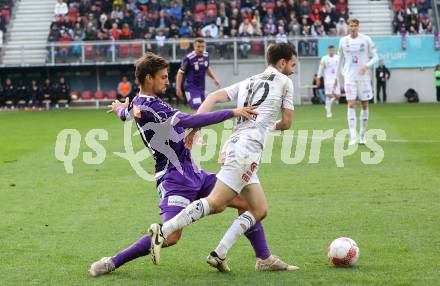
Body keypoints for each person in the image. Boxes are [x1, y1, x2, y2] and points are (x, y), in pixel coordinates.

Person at [89, 52, 284, 277]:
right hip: (173, 179)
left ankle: (263, 258)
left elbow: (127, 113)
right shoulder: (153, 108)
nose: (168, 81)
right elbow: (190, 120)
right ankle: (112, 262)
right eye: (163, 77)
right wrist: (233, 111)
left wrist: (119, 110)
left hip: (194, 173)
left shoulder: (139, 103)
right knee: (170, 236)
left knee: (247, 204)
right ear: (149, 78)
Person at [149, 43, 299, 272]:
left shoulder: (249, 81)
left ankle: (244, 257)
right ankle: (165, 231)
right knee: (216, 203)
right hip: (246, 150)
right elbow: (287, 123)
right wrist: (267, 127)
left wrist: (195, 126)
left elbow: (214, 96)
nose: (293, 70)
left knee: (258, 209)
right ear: (282, 63)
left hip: (234, 146)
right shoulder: (285, 82)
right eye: (292, 65)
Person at [336, 17, 378, 145]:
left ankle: (362, 135)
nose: (353, 28)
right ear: (348, 27)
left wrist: (366, 65)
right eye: (351, 25)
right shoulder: (343, 41)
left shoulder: (366, 40)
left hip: (364, 78)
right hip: (350, 78)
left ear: (358, 27)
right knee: (351, 104)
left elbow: (376, 57)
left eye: (355, 25)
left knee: (365, 105)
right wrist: (340, 77)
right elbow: (340, 60)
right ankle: (353, 136)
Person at [176, 38, 221, 111]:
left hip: (201, 88)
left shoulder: (206, 56)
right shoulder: (188, 58)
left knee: (203, 110)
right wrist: (178, 88)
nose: (200, 49)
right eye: (198, 46)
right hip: (191, 87)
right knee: (197, 109)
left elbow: (207, 68)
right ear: (194, 47)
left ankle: (197, 122)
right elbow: (180, 73)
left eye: (202, 47)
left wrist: (214, 78)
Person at [317, 45, 341, 118]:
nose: (331, 51)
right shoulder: (324, 59)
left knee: (338, 96)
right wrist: (318, 78)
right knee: (328, 96)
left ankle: (327, 105)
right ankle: (328, 112)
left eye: (332, 50)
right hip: (327, 80)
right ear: (328, 50)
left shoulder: (338, 58)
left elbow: (340, 68)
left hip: (336, 79)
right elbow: (320, 69)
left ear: (333, 50)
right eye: (329, 50)